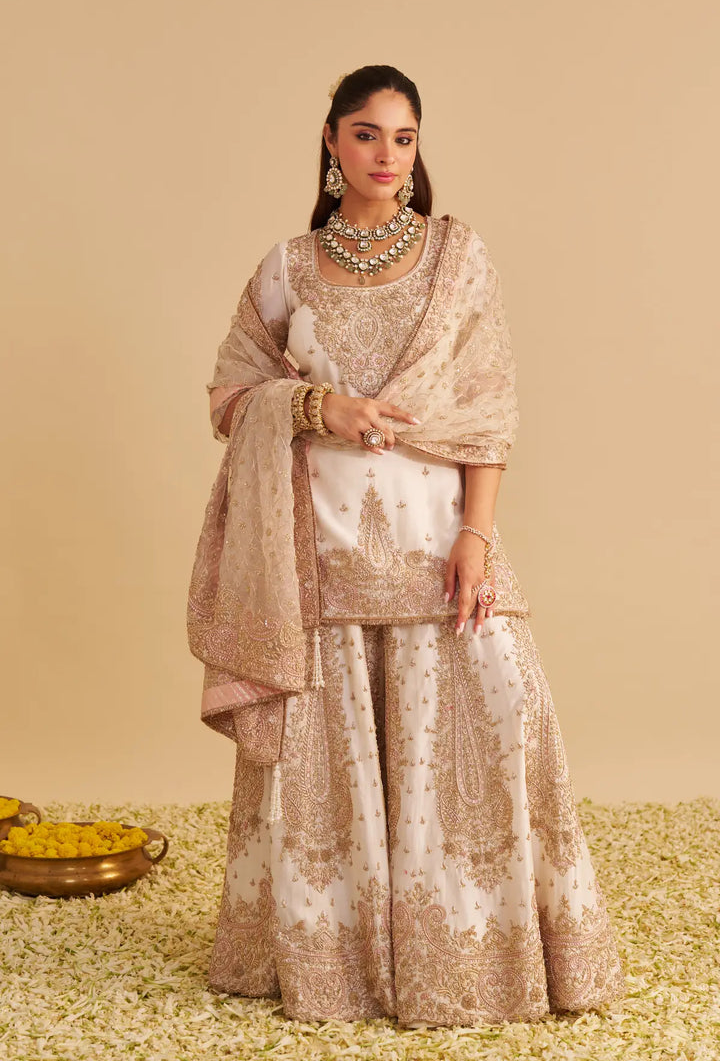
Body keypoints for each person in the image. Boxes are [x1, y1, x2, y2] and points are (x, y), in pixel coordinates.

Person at [187, 64, 626, 1028]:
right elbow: (229, 397)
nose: (386, 155)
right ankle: (328, 954)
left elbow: (491, 410)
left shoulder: (457, 259)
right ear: (331, 142)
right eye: (366, 134)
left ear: (418, 149)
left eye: (404, 138)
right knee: (325, 755)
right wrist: (315, 404)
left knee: (500, 719)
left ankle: (482, 951)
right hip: (323, 554)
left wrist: (478, 532)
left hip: (436, 540)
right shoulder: (286, 267)